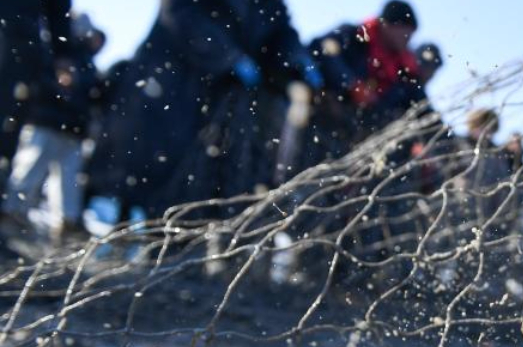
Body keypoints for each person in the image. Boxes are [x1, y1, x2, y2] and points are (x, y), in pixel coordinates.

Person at [103, 0, 320, 218]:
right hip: (172, 82)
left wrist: (298, 61)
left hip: (227, 97)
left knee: (216, 176)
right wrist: (228, 58)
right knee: (153, 169)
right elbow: (179, 11)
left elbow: (281, 31)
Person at [3, 13, 104, 239]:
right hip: (47, 121)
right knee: (29, 169)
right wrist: (61, 96)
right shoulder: (56, 53)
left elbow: (89, 94)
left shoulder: (85, 61)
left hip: (73, 129)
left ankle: (66, 224)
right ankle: (12, 214)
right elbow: (42, 83)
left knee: (69, 181)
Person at [312, 1, 427, 141]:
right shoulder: (353, 36)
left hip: (362, 134)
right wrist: (351, 85)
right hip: (323, 117)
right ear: (388, 25)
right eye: (405, 33)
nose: (408, 39)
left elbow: (423, 108)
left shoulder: (406, 70)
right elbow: (320, 50)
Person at [0, 0, 74, 209]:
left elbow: (58, 11)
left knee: (8, 128)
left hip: (22, 46)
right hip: (17, 40)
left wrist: (63, 54)